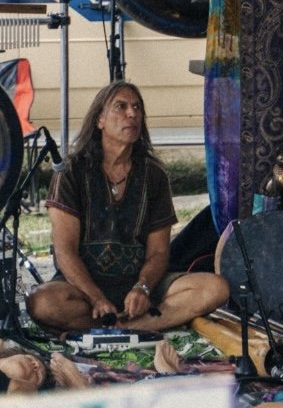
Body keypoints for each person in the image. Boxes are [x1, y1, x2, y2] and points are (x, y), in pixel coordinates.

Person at [27, 83, 228, 335]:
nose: (131, 114)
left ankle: (124, 328)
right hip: (82, 286)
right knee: (41, 302)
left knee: (215, 288)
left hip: (141, 287)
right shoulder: (72, 172)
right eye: (120, 107)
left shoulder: (153, 175)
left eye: (136, 108)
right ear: (99, 120)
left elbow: (158, 252)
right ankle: (132, 324)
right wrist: (96, 297)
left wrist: (143, 288)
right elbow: (65, 252)